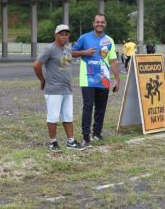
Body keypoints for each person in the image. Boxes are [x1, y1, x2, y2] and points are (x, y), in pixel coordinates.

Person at [33, 24, 85, 152]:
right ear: (55, 35)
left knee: (68, 116)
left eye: (66, 34)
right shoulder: (50, 49)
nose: (64, 36)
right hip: (54, 89)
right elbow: (36, 65)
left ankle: (71, 142)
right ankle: (53, 142)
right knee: (53, 117)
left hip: (67, 89)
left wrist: (85, 52)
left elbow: (65, 66)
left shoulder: (67, 49)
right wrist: (42, 79)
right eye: (61, 34)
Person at [72, 13, 120, 147]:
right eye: (97, 22)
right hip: (87, 79)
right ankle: (86, 137)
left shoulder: (109, 40)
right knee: (88, 107)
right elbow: (70, 52)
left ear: (105, 24)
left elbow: (113, 61)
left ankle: (97, 134)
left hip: (104, 80)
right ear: (93, 23)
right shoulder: (84, 38)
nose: (100, 24)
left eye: (102, 22)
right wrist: (84, 53)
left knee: (101, 108)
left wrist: (117, 79)